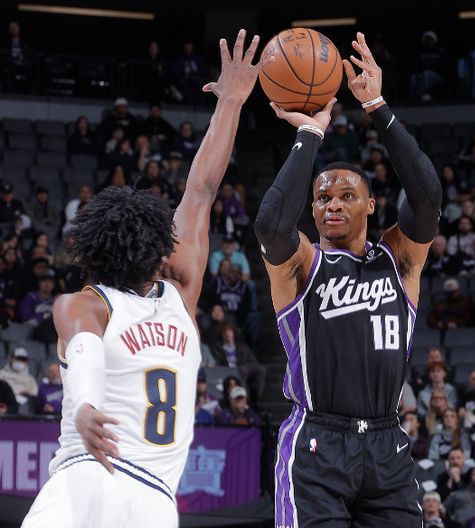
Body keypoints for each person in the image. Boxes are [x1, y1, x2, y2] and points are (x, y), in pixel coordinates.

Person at [21, 30, 262, 527]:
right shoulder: (182, 290)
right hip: (151, 500)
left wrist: (86, 409)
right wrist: (231, 103)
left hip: (86, 479)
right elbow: (201, 189)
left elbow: (84, 352)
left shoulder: (82, 303)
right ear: (158, 248)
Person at [254, 32, 442, 527]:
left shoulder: (399, 259)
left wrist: (377, 107)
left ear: (371, 205)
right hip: (318, 443)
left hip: (388, 442)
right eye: (322, 198)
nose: (332, 204)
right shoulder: (303, 265)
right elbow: (271, 224)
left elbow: (427, 197)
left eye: (346, 196)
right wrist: (310, 134)